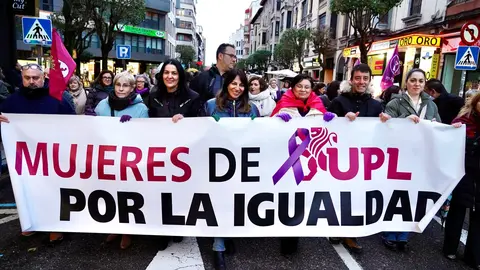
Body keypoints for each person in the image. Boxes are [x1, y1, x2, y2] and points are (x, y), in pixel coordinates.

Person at [381, 69, 457, 251]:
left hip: (420, 157)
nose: (417, 84)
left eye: (420, 81)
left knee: (413, 196)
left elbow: (437, 127)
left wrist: (452, 129)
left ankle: (404, 235)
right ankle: (390, 233)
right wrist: (403, 120)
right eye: (413, 80)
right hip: (398, 157)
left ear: (425, 84)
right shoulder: (395, 102)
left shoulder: (431, 105)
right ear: (406, 82)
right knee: (395, 195)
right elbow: (386, 128)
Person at [0, 63, 75, 245]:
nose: (32, 81)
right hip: (25, 158)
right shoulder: (11, 101)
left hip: (53, 156)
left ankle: (55, 226)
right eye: (27, 78)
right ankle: (31, 222)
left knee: (54, 190)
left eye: (36, 78)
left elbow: (74, 124)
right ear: (22, 79)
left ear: (43, 78)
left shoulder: (58, 99)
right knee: (27, 190)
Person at [270, 74, 335, 257]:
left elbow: (327, 133)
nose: (303, 90)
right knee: (286, 200)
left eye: (307, 87)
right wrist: (275, 120)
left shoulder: (319, 107)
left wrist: (332, 120)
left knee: (300, 201)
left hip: (308, 163)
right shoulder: (283, 104)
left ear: (312, 89)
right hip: (287, 162)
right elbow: (266, 133)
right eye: (300, 86)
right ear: (293, 87)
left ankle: (294, 235)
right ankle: (286, 238)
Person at [202, 68, 258, 270]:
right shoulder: (210, 106)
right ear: (226, 85)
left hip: (242, 165)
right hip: (217, 165)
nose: (237, 88)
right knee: (220, 201)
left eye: (241, 84)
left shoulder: (252, 109)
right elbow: (198, 133)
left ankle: (228, 235)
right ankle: (218, 245)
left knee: (237, 203)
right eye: (233, 83)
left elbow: (260, 135)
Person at [324, 65, 384, 253]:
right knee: (338, 194)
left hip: (364, 159)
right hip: (340, 157)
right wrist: (341, 118)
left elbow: (380, 133)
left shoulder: (376, 105)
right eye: (358, 78)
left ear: (369, 80)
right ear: (351, 80)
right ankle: (335, 228)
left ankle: (351, 234)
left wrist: (386, 122)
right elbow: (327, 123)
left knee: (358, 196)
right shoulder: (338, 101)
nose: (361, 82)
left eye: (365, 78)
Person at [95, 71, 148, 249]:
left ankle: (128, 231)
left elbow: (146, 135)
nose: (121, 88)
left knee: (128, 194)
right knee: (111, 193)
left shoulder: (141, 108)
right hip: (108, 157)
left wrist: (132, 127)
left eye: (125, 85)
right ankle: (115, 227)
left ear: (132, 88)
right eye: (118, 85)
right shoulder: (102, 106)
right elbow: (94, 128)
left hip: (129, 160)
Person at [443, 93, 480, 268]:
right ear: (476, 102)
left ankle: (473, 256)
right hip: (463, 171)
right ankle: (449, 247)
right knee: (458, 210)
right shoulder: (463, 121)